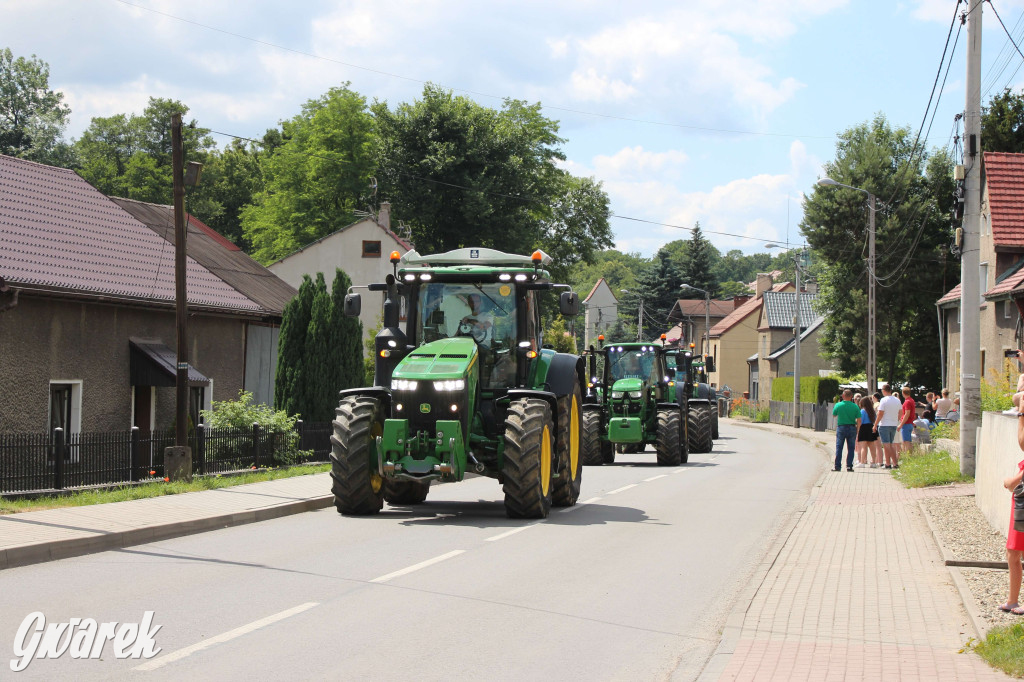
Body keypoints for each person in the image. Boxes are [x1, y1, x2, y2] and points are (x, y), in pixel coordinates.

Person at [999, 411, 1024, 615]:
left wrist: (1022, 411)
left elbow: (1011, 484)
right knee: (1012, 554)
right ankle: (1012, 600)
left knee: (1014, 554)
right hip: (1019, 509)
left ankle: (1014, 601)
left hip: (1021, 510)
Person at [832, 388, 861, 472]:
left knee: (839, 447)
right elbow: (859, 420)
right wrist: (858, 430)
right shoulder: (855, 406)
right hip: (852, 427)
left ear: (843, 396)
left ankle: (837, 466)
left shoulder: (838, 405)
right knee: (851, 448)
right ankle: (849, 466)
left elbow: (834, 415)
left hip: (841, 427)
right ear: (852, 396)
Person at [874, 384, 902, 469]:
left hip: (884, 424)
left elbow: (880, 413)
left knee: (886, 445)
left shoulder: (883, 400)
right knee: (891, 444)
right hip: (893, 424)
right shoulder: (897, 400)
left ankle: (888, 463)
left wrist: (875, 424)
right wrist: (896, 420)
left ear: (884, 390)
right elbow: (900, 412)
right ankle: (895, 463)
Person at [856, 396, 881, 468]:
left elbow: (860, 421)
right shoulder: (872, 411)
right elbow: (875, 420)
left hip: (864, 428)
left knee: (863, 447)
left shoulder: (862, 411)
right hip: (871, 427)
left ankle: (862, 462)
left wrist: (858, 430)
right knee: (872, 446)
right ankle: (873, 462)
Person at [898, 386, 917, 455]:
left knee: (906, 441)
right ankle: (908, 455)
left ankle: (908, 456)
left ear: (903, 393)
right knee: (907, 441)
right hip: (910, 423)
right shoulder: (911, 400)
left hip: (906, 423)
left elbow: (907, 414)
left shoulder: (907, 402)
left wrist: (901, 424)